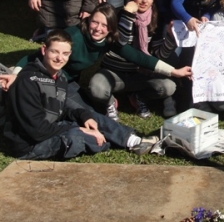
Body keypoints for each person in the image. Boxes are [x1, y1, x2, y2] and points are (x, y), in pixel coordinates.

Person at [6, 3, 191, 116]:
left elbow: (139, 58)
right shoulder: (73, 36)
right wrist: (16, 73)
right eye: (95, 22)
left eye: (104, 25)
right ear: (88, 21)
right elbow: (33, 56)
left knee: (88, 111)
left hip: (69, 82)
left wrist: (174, 71)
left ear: (111, 28)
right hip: (48, 78)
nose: (98, 28)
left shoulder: (107, 42)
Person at [3, 30, 159, 160]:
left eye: (65, 53)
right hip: (29, 144)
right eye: (54, 51)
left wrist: (82, 116)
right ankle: (109, 140)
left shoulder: (60, 77)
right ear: (44, 50)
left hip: (50, 128)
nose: (59, 58)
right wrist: (79, 128)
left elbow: (57, 109)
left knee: (89, 116)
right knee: (80, 138)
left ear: (70, 54)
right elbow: (37, 130)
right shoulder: (28, 81)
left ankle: (134, 140)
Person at [88, 0, 188, 120]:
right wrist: (128, 15)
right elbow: (121, 42)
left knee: (168, 87)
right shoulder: (117, 15)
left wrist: (171, 38)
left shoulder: (156, 19)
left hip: (140, 74)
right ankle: (110, 102)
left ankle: (139, 97)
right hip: (114, 72)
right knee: (96, 88)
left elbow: (159, 54)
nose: (144, 0)